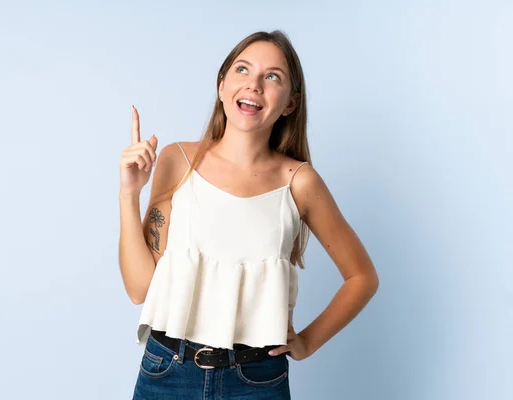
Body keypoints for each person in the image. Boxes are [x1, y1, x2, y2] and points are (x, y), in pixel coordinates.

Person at [118, 30, 379, 399]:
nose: (254, 84)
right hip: (167, 373)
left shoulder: (299, 182)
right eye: (242, 69)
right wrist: (130, 194)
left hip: (256, 381)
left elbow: (361, 277)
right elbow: (139, 289)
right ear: (222, 84)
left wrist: (307, 342)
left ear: (290, 103)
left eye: (272, 76)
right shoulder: (179, 161)